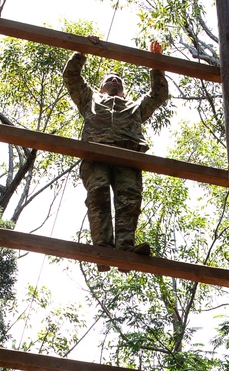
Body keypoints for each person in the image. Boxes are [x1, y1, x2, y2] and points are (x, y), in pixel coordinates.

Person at [62, 51, 169, 262]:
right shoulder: (89, 99)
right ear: (100, 88)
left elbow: (158, 94)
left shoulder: (135, 107)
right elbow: (71, 77)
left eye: (118, 81)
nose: (114, 81)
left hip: (127, 155)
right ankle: (102, 250)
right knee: (98, 193)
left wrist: (157, 66)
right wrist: (81, 52)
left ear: (124, 92)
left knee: (129, 198)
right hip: (96, 152)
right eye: (109, 80)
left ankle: (125, 251)